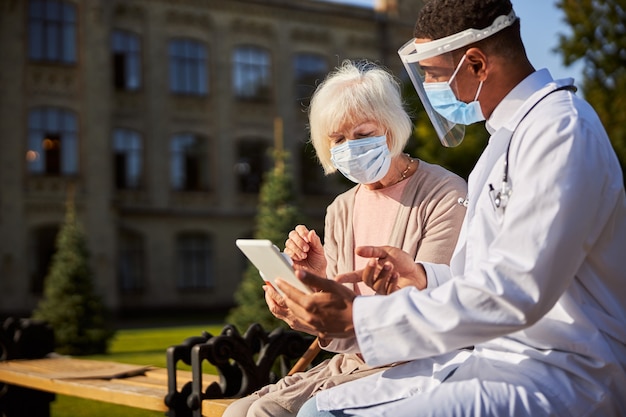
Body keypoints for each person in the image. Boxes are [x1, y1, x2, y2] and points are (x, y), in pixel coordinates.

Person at [272, 1, 626, 416]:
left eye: (434, 75)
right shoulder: (507, 139)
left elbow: (515, 292)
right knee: (318, 409)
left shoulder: (559, 132)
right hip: (495, 361)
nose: (431, 90)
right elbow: (483, 275)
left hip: (561, 372)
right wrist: (422, 275)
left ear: (476, 64)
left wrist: (360, 319)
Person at [223, 60, 468, 417]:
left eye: (362, 134)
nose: (349, 147)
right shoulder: (341, 208)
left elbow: (428, 315)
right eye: (337, 139)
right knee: (238, 412)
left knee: (265, 413)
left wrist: (326, 314)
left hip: (415, 365)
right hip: (352, 362)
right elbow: (341, 331)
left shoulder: (444, 193)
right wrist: (309, 293)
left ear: (391, 128)